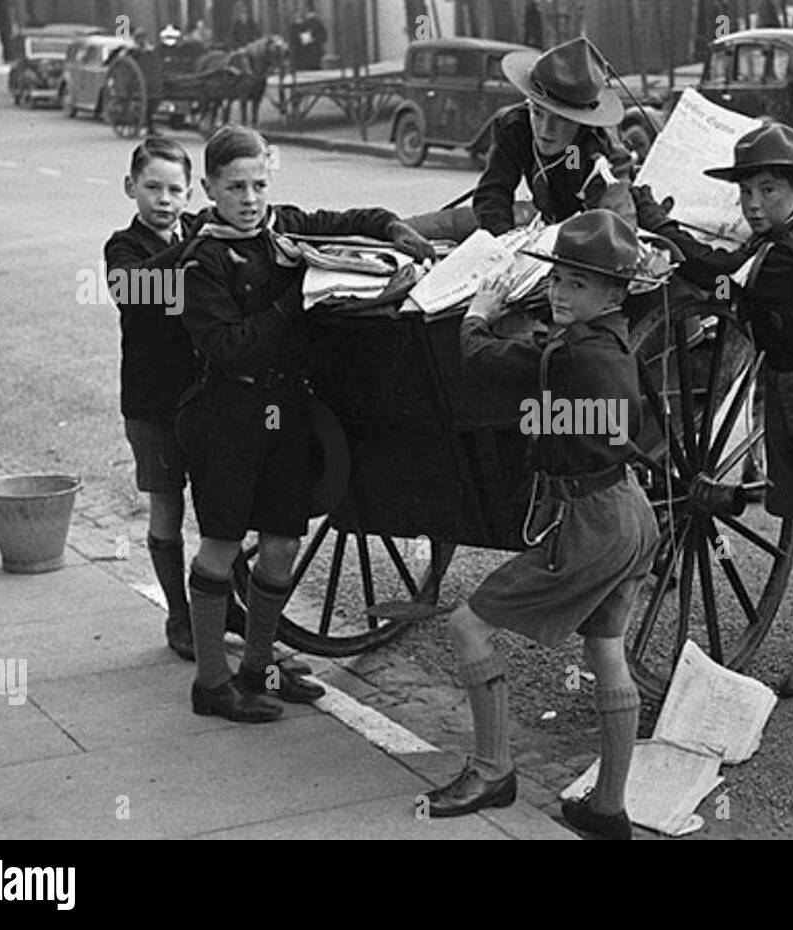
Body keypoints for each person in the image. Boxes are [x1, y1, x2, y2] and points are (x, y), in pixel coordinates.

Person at [175, 125, 434, 722]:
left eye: (259, 183)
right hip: (226, 415)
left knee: (283, 542)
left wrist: (393, 229)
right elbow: (233, 347)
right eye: (235, 186)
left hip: (283, 411)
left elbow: (354, 218)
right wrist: (298, 295)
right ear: (210, 187)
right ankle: (211, 683)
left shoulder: (282, 226)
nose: (250, 197)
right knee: (219, 545)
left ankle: (259, 665)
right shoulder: (202, 261)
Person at [636, 123, 793, 711]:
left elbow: (723, 280)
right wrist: (668, 232)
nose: (754, 204)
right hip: (787, 385)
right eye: (747, 192)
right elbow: (727, 268)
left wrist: (661, 230)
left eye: (768, 191)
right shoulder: (775, 238)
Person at [425, 210, 660, 839]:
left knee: (467, 626)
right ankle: (608, 810)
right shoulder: (609, 341)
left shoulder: (570, 356)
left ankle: (492, 771)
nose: (559, 293)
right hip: (632, 513)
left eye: (577, 285)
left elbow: (481, 358)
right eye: (557, 280)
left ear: (615, 293)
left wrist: (479, 310)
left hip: (591, 523)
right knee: (605, 650)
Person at [105, 137, 237, 660]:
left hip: (204, 398)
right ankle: (179, 617)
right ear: (130, 188)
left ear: (190, 193)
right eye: (152, 187)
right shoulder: (123, 246)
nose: (164, 199)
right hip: (152, 402)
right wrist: (199, 242)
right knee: (166, 505)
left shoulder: (196, 232)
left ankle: (220, 605)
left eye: (175, 189)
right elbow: (135, 290)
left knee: (220, 507)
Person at [472, 37, 635, 236]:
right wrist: (502, 242)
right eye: (538, 113)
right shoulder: (515, 128)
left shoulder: (592, 150)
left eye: (562, 119)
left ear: (581, 120)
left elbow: (612, 223)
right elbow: (494, 193)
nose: (545, 129)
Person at [288, 2, 327, 71]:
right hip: (305, 58)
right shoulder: (297, 26)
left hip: (308, 58)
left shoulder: (307, 24)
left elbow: (307, 41)